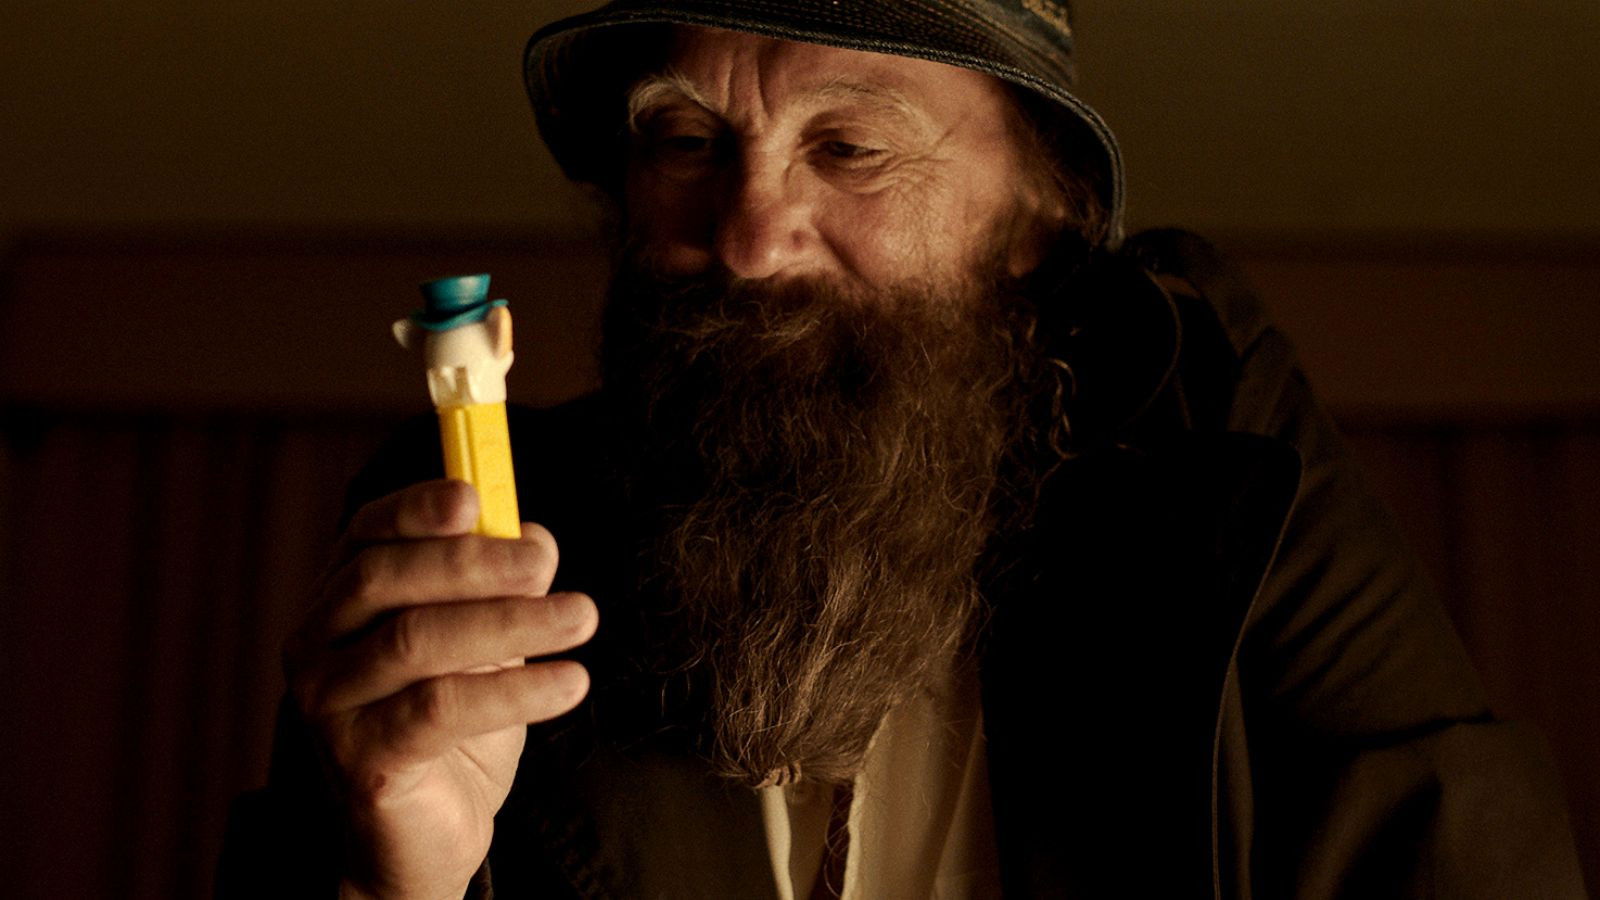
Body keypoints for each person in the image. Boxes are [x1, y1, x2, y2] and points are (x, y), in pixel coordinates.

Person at [219, 2, 1586, 897]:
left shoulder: (1212, 451)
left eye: (852, 148)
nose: (749, 239)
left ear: (1041, 214)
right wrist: (392, 882)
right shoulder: (465, 527)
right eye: (686, 138)